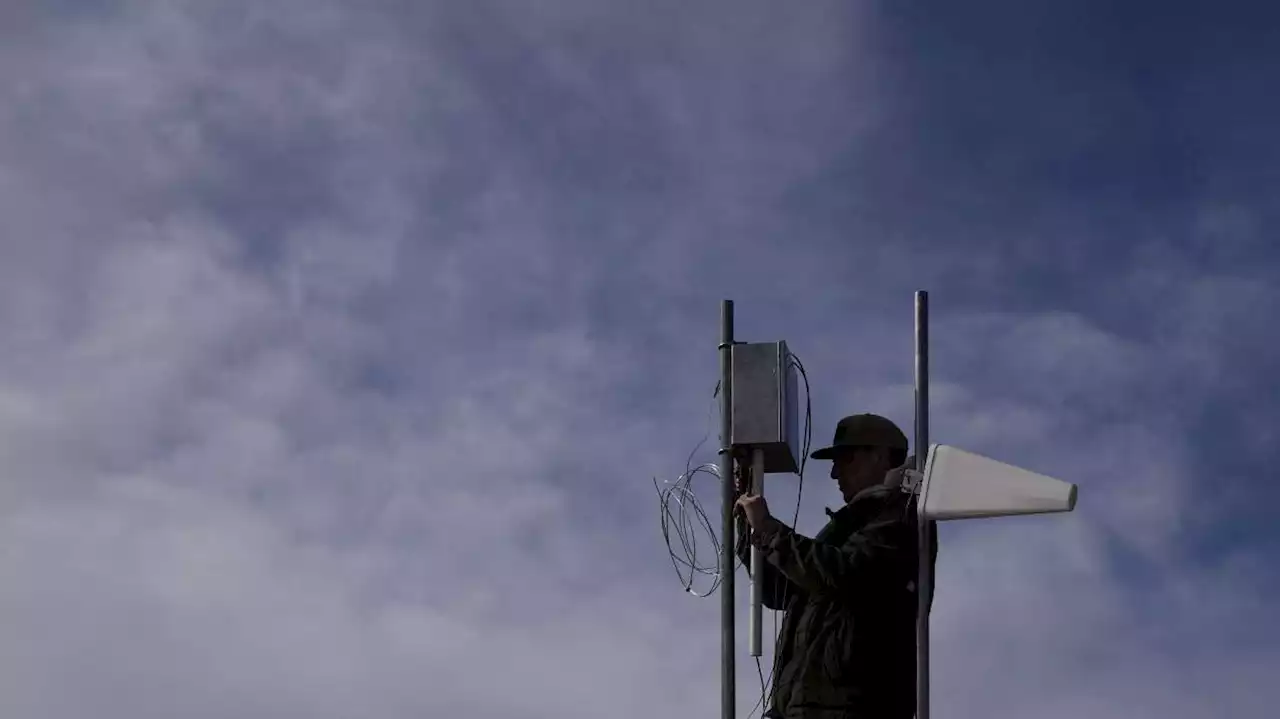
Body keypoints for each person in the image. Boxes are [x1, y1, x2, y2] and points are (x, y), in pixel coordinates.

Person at [735, 413, 938, 719]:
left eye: (845, 458)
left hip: (852, 708)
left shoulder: (902, 516)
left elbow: (845, 573)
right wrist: (747, 524)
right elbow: (781, 590)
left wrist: (768, 530)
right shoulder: (853, 524)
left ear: (879, 456)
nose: (834, 473)